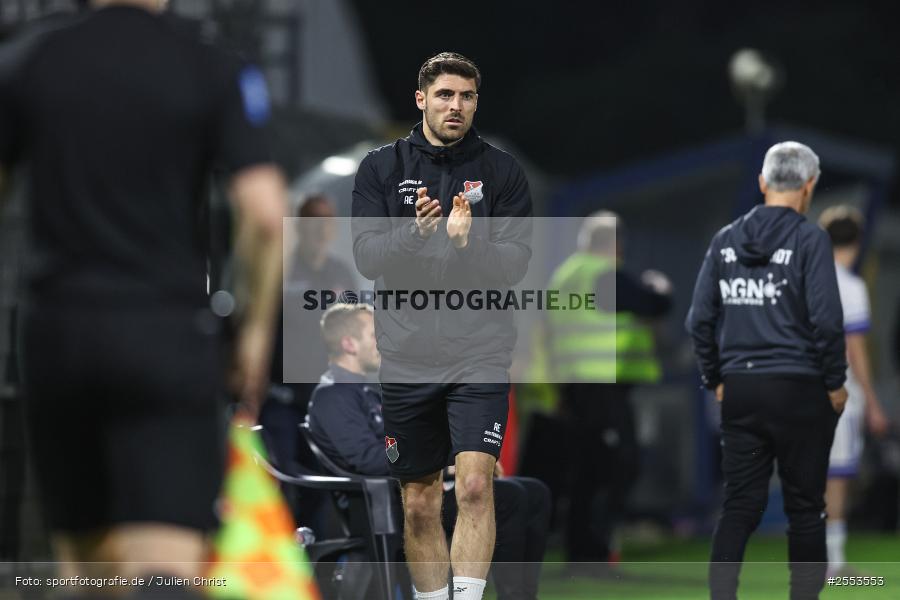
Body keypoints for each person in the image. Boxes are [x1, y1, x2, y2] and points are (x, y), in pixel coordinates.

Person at [0, 0, 285, 593]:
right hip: (165, 331)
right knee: (167, 566)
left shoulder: (30, 59)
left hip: (57, 333)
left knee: (85, 566)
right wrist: (253, 336)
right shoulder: (211, 67)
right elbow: (265, 216)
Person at [351, 52, 533, 600]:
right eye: (446, 95)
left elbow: (516, 262)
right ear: (421, 99)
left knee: (476, 487)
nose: (457, 106)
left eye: (468, 97)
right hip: (406, 357)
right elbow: (366, 256)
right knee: (421, 503)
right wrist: (417, 234)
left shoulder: (503, 172)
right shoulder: (382, 168)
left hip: (479, 352)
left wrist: (466, 241)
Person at [687, 141, 848, 600]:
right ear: (809, 185)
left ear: (763, 182)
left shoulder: (725, 240)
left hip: (741, 390)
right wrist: (835, 383)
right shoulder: (810, 238)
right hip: (799, 388)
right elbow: (827, 321)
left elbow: (699, 320)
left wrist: (714, 378)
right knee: (805, 507)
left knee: (738, 506)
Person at [306, 303, 551, 600]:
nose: (384, 341)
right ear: (349, 344)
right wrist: (446, 466)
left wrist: (462, 459)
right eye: (374, 334)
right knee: (512, 498)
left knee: (535, 491)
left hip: (404, 484)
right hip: (382, 503)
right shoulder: (333, 396)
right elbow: (367, 460)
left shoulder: (365, 390)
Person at [545, 210, 672, 568]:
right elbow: (653, 303)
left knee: (586, 469)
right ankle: (597, 550)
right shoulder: (601, 274)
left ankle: (580, 552)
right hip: (602, 386)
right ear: (614, 244)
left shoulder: (564, 275)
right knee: (618, 464)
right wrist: (660, 289)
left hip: (572, 384)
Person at [817, 205, 890, 574]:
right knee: (837, 475)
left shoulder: (802, 280)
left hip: (797, 387)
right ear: (857, 242)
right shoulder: (850, 285)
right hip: (837, 390)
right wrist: (874, 403)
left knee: (809, 472)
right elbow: (856, 350)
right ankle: (834, 563)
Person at [263, 194, 356, 471]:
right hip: (282, 404)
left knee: (322, 496)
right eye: (313, 219)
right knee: (282, 490)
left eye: (326, 220)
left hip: (325, 408)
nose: (320, 227)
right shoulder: (280, 271)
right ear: (299, 225)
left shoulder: (341, 274)